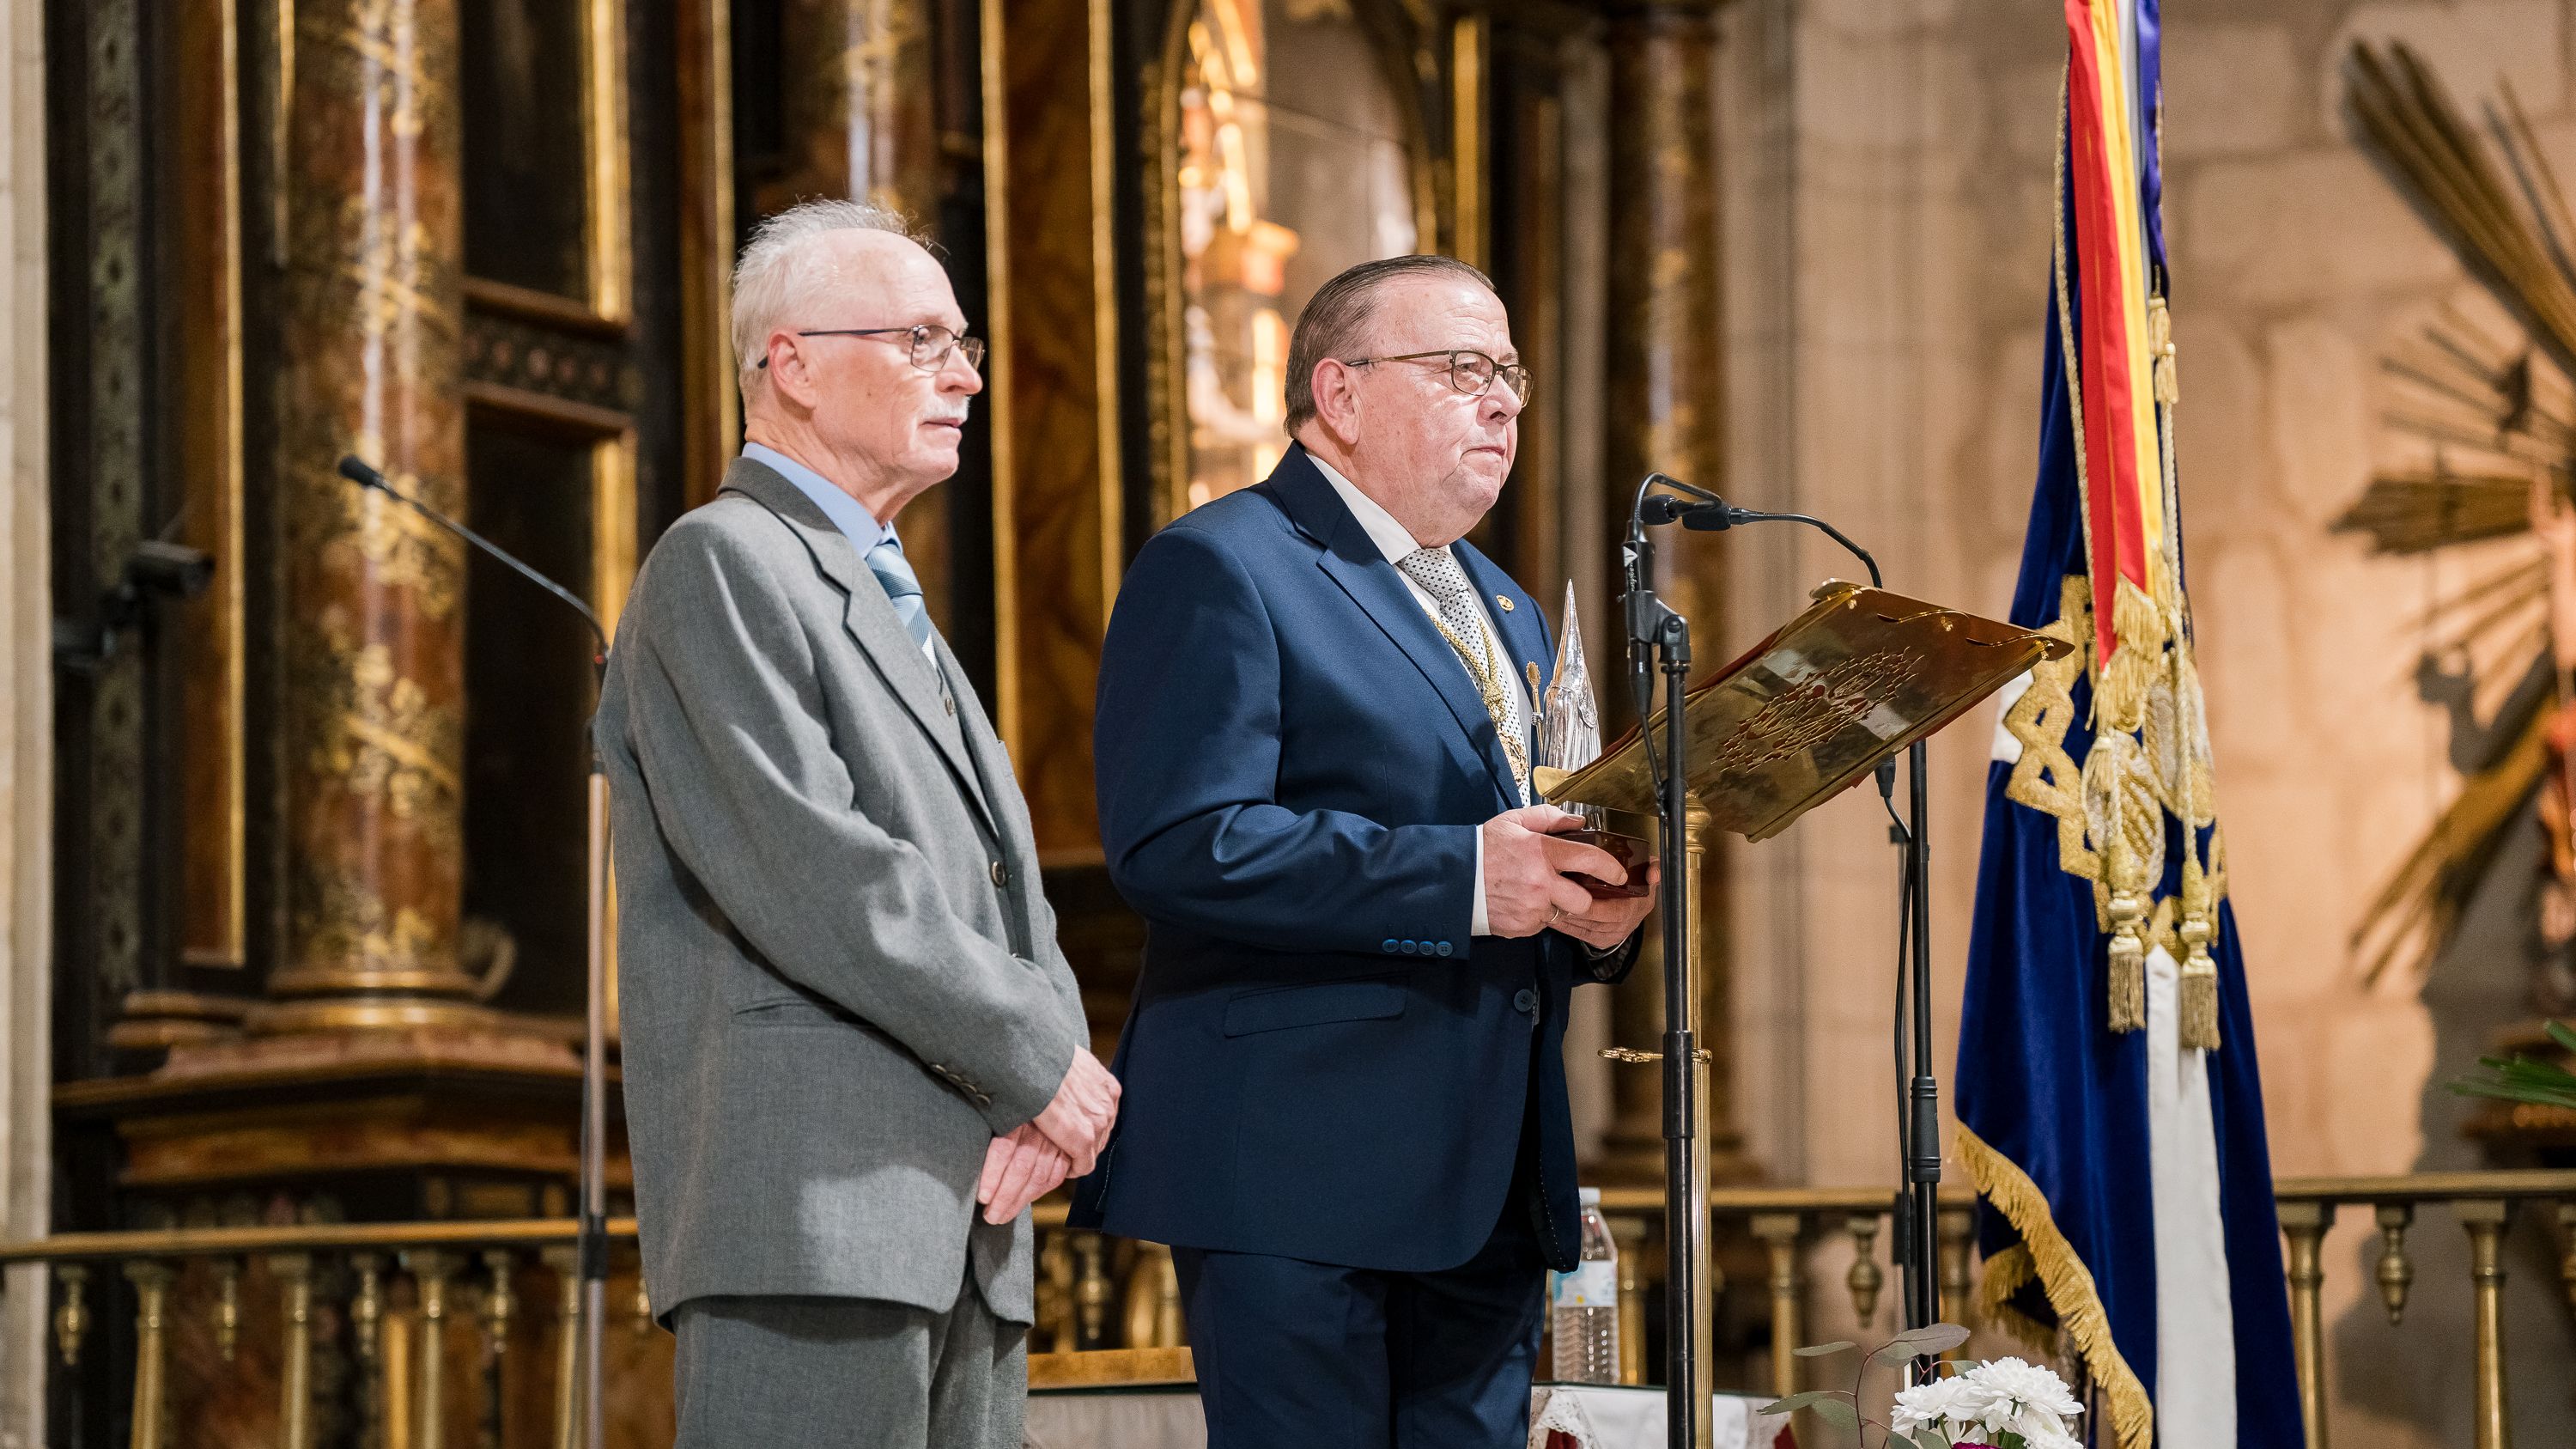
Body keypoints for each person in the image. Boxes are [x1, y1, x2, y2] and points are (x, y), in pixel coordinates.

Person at [1074, 254, 1657, 1447]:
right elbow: (1183, 840)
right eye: (1461, 370)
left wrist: (1590, 913)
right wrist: (1465, 880)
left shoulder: (1505, 605)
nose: (1500, 400)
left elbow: (1518, 848)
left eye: (1509, 374)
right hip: (1300, 1167)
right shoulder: (1226, 562)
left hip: (1483, 1174)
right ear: (1338, 395)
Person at [593, 198, 1116, 1449]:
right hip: (813, 1214)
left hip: (966, 1215)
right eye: (923, 341)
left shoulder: (891, 595)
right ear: (795, 364)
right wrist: (1040, 1062)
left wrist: (1053, 1074)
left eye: (965, 343)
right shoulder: (720, 561)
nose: (967, 376)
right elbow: (817, 871)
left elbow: (1006, 886)